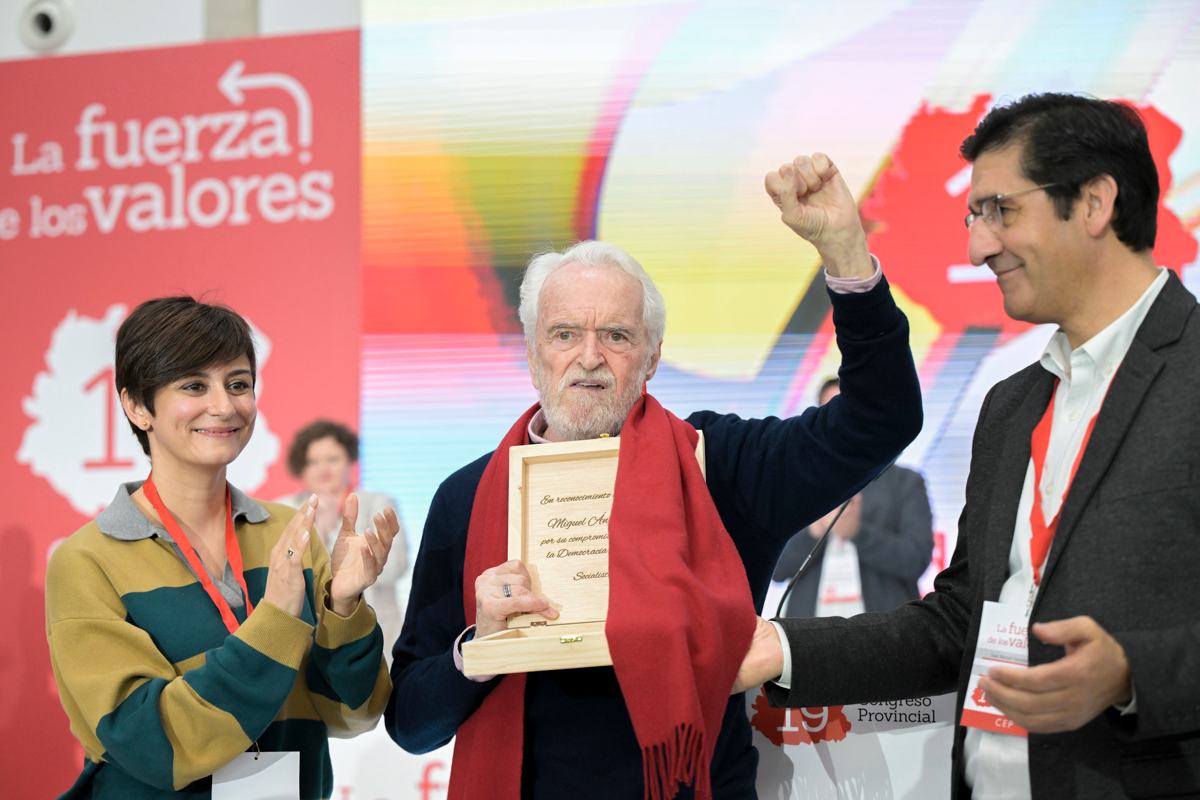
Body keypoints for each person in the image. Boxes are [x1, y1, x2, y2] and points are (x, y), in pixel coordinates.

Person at [386, 152, 923, 799]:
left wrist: (845, 255)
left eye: (615, 335)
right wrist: (477, 650)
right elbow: (412, 725)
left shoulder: (716, 465)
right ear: (532, 356)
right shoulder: (467, 498)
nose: (589, 358)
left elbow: (882, 418)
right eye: (564, 334)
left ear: (652, 356)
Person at [740, 93, 1200, 798]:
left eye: (1000, 211)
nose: (978, 247)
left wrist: (1133, 674)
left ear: (1095, 203)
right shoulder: (1012, 405)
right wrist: (782, 647)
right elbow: (959, 621)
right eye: (973, 215)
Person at [45, 297, 397, 799]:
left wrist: (343, 608)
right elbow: (155, 746)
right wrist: (277, 619)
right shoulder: (86, 561)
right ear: (136, 406)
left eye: (238, 384)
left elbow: (353, 712)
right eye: (193, 385)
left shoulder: (289, 532)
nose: (225, 405)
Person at [772, 376, 934, 617]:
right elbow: (777, 569)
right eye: (831, 414)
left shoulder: (905, 482)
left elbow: (915, 560)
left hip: (881, 632)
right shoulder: (800, 482)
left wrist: (858, 532)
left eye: (851, 413)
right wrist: (814, 532)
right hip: (808, 636)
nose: (842, 425)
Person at [280, 419, 408, 650]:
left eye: (333, 459)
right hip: (307, 634)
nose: (323, 469)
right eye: (313, 462)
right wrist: (320, 529)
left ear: (349, 460)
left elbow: (397, 565)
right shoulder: (285, 509)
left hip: (375, 631)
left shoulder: (378, 503)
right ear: (301, 467)